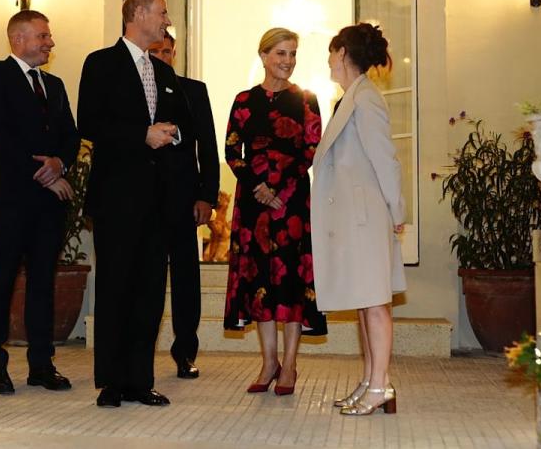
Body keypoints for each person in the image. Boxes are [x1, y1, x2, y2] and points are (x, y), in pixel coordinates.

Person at [77, 0, 195, 408]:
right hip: (116, 199)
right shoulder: (101, 63)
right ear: (139, 13)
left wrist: (173, 133)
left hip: (158, 201)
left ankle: (140, 380)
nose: (166, 20)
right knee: (115, 288)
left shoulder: (163, 72)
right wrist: (140, 135)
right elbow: (88, 122)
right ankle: (111, 381)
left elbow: (186, 122)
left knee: (149, 291)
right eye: (162, 12)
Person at [0, 10, 80, 395]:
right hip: (11, 198)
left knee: (43, 282)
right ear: (18, 39)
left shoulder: (54, 85)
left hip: (49, 204)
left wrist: (60, 164)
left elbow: (71, 136)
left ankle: (42, 364)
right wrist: (43, 175)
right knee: (1, 278)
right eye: (43, 36)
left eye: (49, 36)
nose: (50, 42)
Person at [223, 28, 327, 397]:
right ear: (264, 55)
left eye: (293, 54)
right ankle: (268, 363)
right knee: (260, 283)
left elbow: (312, 150)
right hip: (253, 203)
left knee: (290, 282)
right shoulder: (243, 100)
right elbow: (233, 151)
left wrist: (279, 189)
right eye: (281, 53)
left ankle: (291, 365)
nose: (287, 60)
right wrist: (258, 188)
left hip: (291, 203)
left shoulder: (307, 100)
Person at [311, 22, 406, 416]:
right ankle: (370, 380)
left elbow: (386, 159)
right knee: (364, 303)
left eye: (333, 52)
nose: (330, 60)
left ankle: (381, 385)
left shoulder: (365, 98)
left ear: (345, 53)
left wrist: (398, 211)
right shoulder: (351, 96)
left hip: (366, 217)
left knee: (375, 304)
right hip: (353, 217)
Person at [147, 31, 219, 379]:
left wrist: (207, 195)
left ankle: (185, 352)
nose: (161, 56)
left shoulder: (194, 90)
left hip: (184, 199)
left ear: (175, 52)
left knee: (186, 279)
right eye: (154, 51)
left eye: (166, 50)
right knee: (148, 278)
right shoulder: (137, 90)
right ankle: (141, 353)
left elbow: (207, 146)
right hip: (145, 202)